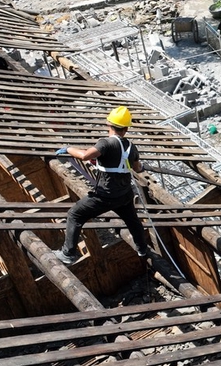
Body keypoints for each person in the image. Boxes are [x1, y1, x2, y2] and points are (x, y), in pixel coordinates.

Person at [53, 106, 150, 265]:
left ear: (109, 124)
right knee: (133, 221)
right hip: (124, 194)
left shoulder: (105, 143)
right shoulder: (132, 147)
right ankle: (142, 249)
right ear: (126, 129)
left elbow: (84, 156)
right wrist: (141, 167)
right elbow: (137, 167)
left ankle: (68, 253)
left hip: (105, 195)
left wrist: (69, 149)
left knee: (75, 215)